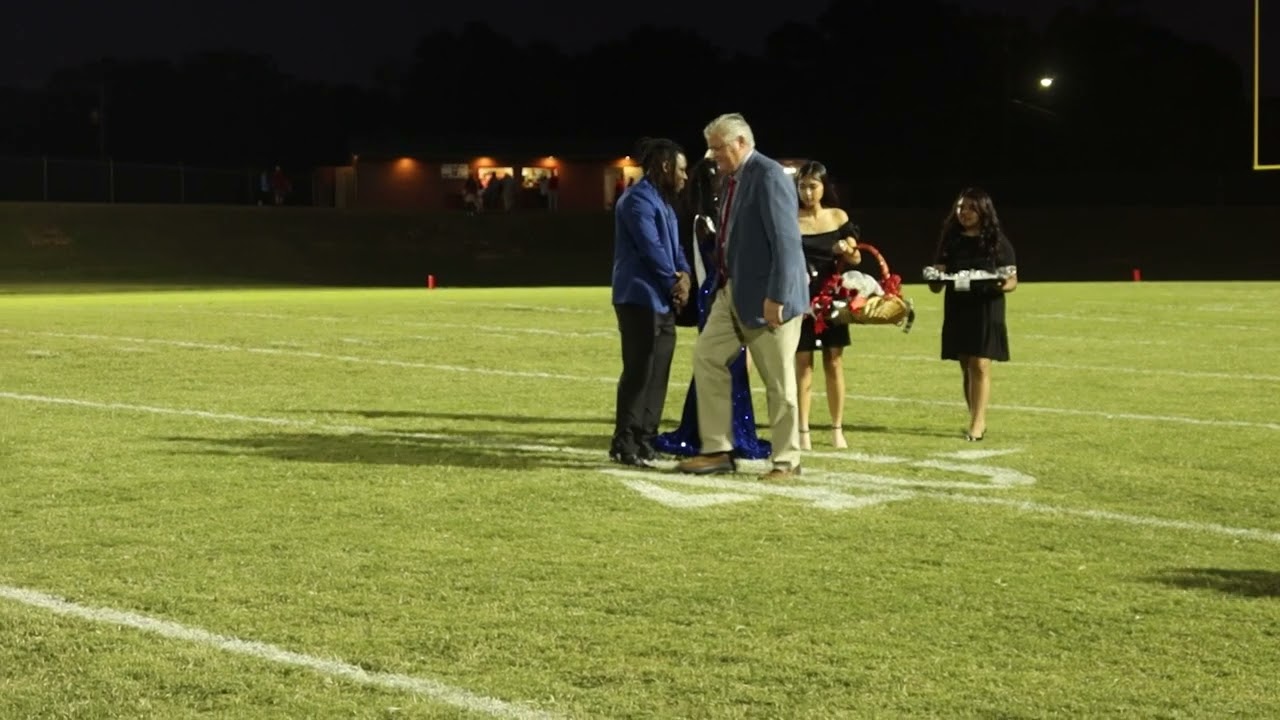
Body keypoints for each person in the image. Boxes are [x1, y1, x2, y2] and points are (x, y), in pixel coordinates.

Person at [676, 113, 809, 480]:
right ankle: (717, 449)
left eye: (719, 148)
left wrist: (777, 296)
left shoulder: (767, 176)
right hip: (733, 290)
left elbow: (786, 241)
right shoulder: (736, 177)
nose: (713, 155)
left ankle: (787, 461)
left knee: (779, 382)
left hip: (768, 296)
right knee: (707, 356)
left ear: (741, 143)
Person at [653, 154, 772, 460]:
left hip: (727, 291)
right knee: (717, 364)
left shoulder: (719, 218)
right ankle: (708, 431)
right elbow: (711, 263)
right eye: (718, 181)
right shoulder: (702, 221)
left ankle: (733, 431)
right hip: (715, 294)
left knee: (730, 364)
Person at [610, 137, 692, 467]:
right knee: (639, 372)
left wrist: (684, 274)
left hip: (661, 299)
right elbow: (651, 248)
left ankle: (646, 438)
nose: (685, 177)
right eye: (682, 169)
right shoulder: (636, 201)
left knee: (658, 373)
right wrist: (676, 281)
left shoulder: (664, 203)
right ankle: (624, 440)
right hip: (638, 297)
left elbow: (676, 249)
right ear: (665, 166)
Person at [925, 187, 1018, 442]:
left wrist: (1000, 283)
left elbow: (1012, 280)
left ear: (983, 210)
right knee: (966, 364)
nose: (964, 213)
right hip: (958, 306)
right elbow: (937, 280)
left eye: (970, 208)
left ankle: (978, 423)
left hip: (987, 306)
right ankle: (975, 415)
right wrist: (934, 277)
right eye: (961, 208)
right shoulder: (951, 239)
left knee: (980, 363)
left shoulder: (996, 240)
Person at [794, 161, 861, 450]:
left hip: (832, 297)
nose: (807, 192)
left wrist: (847, 250)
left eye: (813, 186)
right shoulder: (790, 219)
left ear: (824, 187)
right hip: (801, 298)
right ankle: (803, 430)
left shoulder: (837, 217)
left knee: (834, 362)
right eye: (802, 186)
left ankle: (836, 428)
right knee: (803, 363)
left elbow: (856, 259)